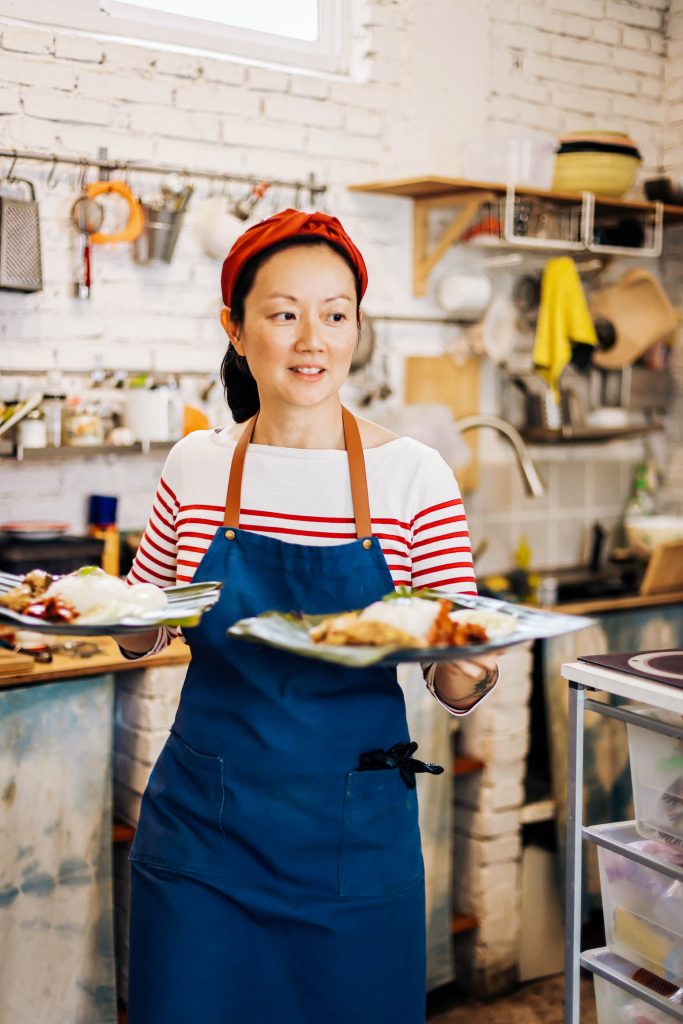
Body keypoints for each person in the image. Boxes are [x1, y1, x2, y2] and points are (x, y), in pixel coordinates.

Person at [119, 209, 500, 1024]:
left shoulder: (412, 478)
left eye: (334, 315)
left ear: (356, 327)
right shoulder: (196, 465)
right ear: (236, 327)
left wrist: (469, 661)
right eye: (283, 314)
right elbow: (142, 625)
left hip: (351, 843)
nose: (311, 341)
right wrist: (102, 611)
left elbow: (454, 682)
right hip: (201, 838)